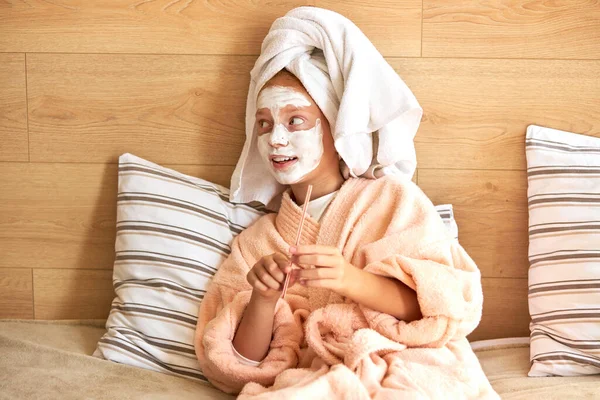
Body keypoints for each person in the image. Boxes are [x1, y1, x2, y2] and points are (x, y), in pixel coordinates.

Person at [195, 6, 496, 399]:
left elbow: (442, 306)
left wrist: (353, 280)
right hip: (314, 380)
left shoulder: (392, 199)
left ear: (336, 126)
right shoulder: (257, 242)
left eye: (295, 120)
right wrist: (263, 301)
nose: (275, 139)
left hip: (408, 362)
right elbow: (237, 368)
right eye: (264, 123)